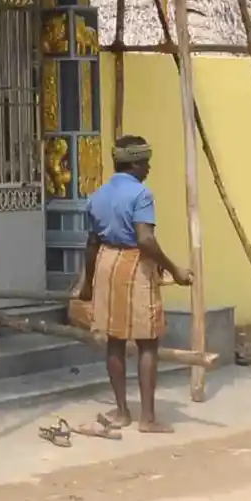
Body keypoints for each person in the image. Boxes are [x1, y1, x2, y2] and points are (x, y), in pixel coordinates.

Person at [78, 135, 192, 433]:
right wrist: (175, 269)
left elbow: (91, 244)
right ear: (135, 163)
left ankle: (121, 412)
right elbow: (145, 239)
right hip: (134, 265)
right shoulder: (141, 194)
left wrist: (88, 283)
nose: (148, 168)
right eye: (145, 163)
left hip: (106, 263)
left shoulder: (97, 195)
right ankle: (148, 418)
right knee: (147, 342)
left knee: (115, 341)